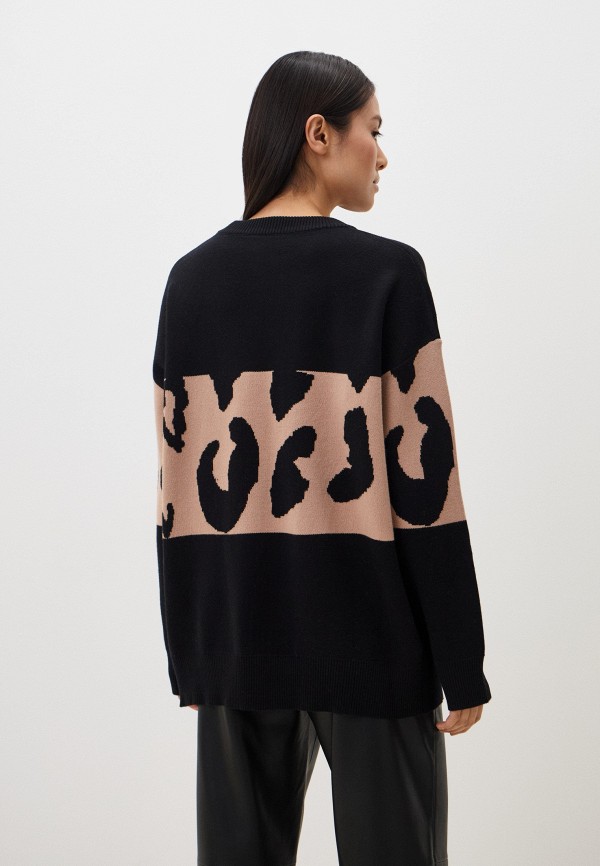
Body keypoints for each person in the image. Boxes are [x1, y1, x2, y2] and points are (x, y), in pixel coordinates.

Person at [153, 50, 492, 866]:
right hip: (375, 641)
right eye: (373, 129)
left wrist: (193, 657)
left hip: (239, 645)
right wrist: (462, 660)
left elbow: (177, 491)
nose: (383, 154)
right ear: (318, 134)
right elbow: (425, 486)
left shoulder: (190, 282)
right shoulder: (388, 274)